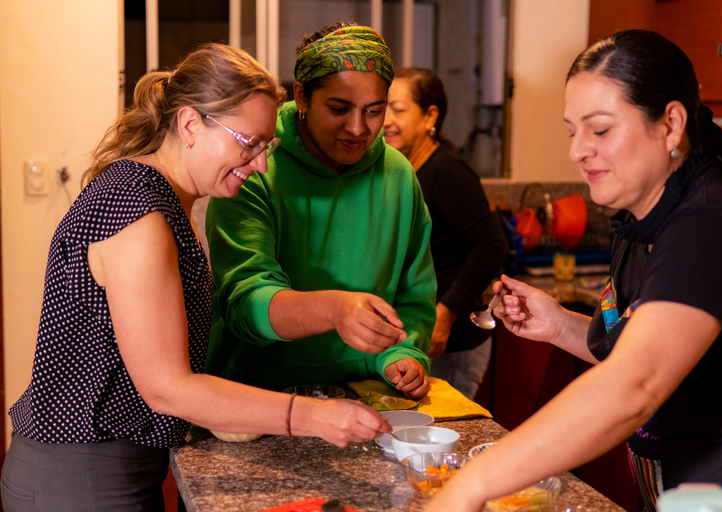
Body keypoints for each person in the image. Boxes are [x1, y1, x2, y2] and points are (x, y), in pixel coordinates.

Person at [1, 43, 392, 512]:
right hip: (80, 473)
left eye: (267, 146)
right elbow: (167, 386)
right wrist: (312, 416)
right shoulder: (136, 209)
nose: (262, 164)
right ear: (190, 125)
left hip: (108, 466)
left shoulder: (162, 198)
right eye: (248, 144)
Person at [425, 29, 722, 512]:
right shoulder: (638, 217)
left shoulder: (715, 223)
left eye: (600, 129)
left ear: (670, 124)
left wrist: (474, 481)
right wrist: (560, 325)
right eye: (573, 131)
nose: (577, 151)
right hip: (684, 489)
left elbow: (635, 383)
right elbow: (640, 346)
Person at [204, 24, 436, 400]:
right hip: (258, 394)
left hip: (365, 391)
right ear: (303, 96)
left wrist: (400, 353)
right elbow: (245, 301)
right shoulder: (256, 167)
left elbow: (413, 298)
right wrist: (333, 310)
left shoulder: (398, 175)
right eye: (339, 108)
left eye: (374, 111)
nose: (359, 128)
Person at [383, 67, 508, 400]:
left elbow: (492, 246)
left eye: (398, 109)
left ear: (430, 116)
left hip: (453, 342)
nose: (385, 120)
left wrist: (444, 314)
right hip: (415, 334)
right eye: (382, 108)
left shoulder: (448, 170)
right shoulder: (401, 169)